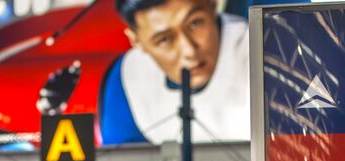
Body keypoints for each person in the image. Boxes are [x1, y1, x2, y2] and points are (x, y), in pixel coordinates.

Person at [99, 0, 249, 145]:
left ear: (212, 4)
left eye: (195, 23)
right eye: (165, 39)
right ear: (136, 41)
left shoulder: (263, 49)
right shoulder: (127, 78)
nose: (189, 50)